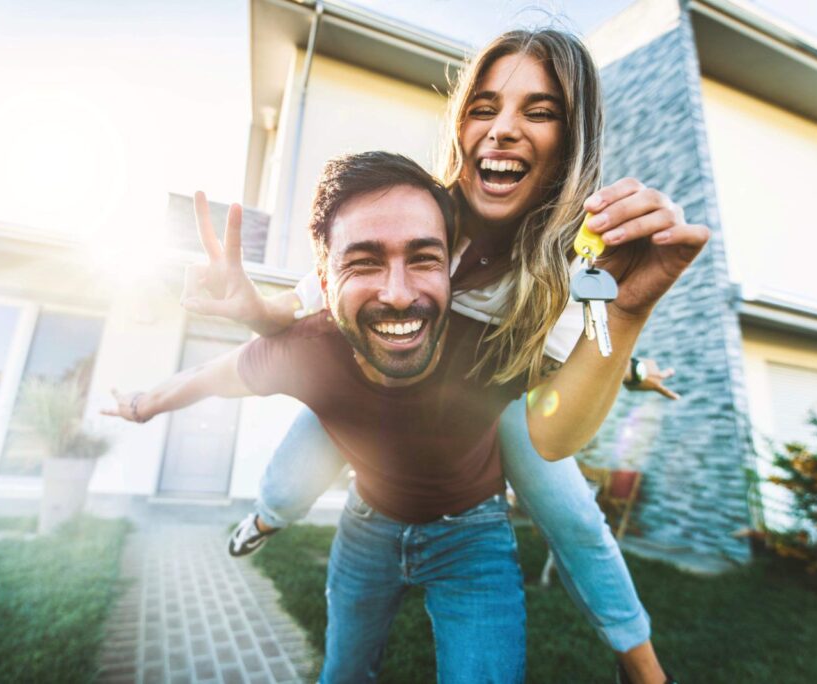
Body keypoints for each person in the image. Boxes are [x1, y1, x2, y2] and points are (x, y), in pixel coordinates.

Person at [180, 29, 692, 684]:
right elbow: (295, 316)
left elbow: (567, 393)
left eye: (539, 111)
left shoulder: (577, 258)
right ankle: (264, 518)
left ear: (571, 140)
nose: (504, 130)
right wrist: (248, 305)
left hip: (491, 400)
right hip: (384, 383)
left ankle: (641, 662)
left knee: (575, 519)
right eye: (485, 106)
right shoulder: (411, 211)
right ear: (461, 123)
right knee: (303, 455)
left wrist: (628, 325)